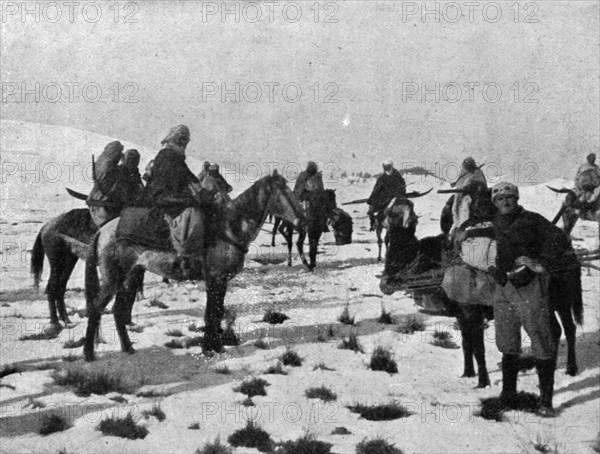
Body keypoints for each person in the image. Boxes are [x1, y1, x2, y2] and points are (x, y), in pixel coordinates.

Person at [487, 182, 579, 417]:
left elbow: (559, 239)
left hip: (529, 287)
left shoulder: (532, 220)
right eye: (500, 199)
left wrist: (540, 263)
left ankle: (545, 402)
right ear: (494, 203)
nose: (505, 202)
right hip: (503, 287)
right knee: (507, 341)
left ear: (516, 199)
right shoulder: (493, 222)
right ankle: (508, 396)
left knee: (540, 338)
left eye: (509, 198)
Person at [143, 125, 210, 278]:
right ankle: (185, 254)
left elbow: (188, 176)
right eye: (183, 139)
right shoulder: (168, 155)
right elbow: (173, 180)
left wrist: (201, 190)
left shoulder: (175, 155)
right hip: (163, 196)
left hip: (169, 194)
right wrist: (191, 194)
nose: (185, 143)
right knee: (193, 213)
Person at [87, 141, 125, 227]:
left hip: (94, 200)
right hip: (103, 204)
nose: (120, 155)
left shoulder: (99, 162)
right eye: (119, 153)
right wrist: (124, 163)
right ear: (115, 153)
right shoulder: (110, 165)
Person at [450, 157, 488, 238]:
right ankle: (456, 225)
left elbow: (481, 184)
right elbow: (459, 180)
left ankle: (463, 227)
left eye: (468, 166)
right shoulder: (463, 172)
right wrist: (455, 183)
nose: (467, 168)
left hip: (470, 196)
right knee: (454, 208)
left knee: (466, 206)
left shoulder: (477, 172)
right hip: (459, 195)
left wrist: (470, 186)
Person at [366, 158, 406, 230]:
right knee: (371, 210)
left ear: (392, 166)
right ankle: (373, 224)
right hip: (383, 198)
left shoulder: (397, 176)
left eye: (389, 166)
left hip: (395, 198)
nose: (388, 168)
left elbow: (402, 187)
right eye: (386, 167)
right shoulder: (382, 178)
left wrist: (399, 194)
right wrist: (371, 199)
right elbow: (376, 190)